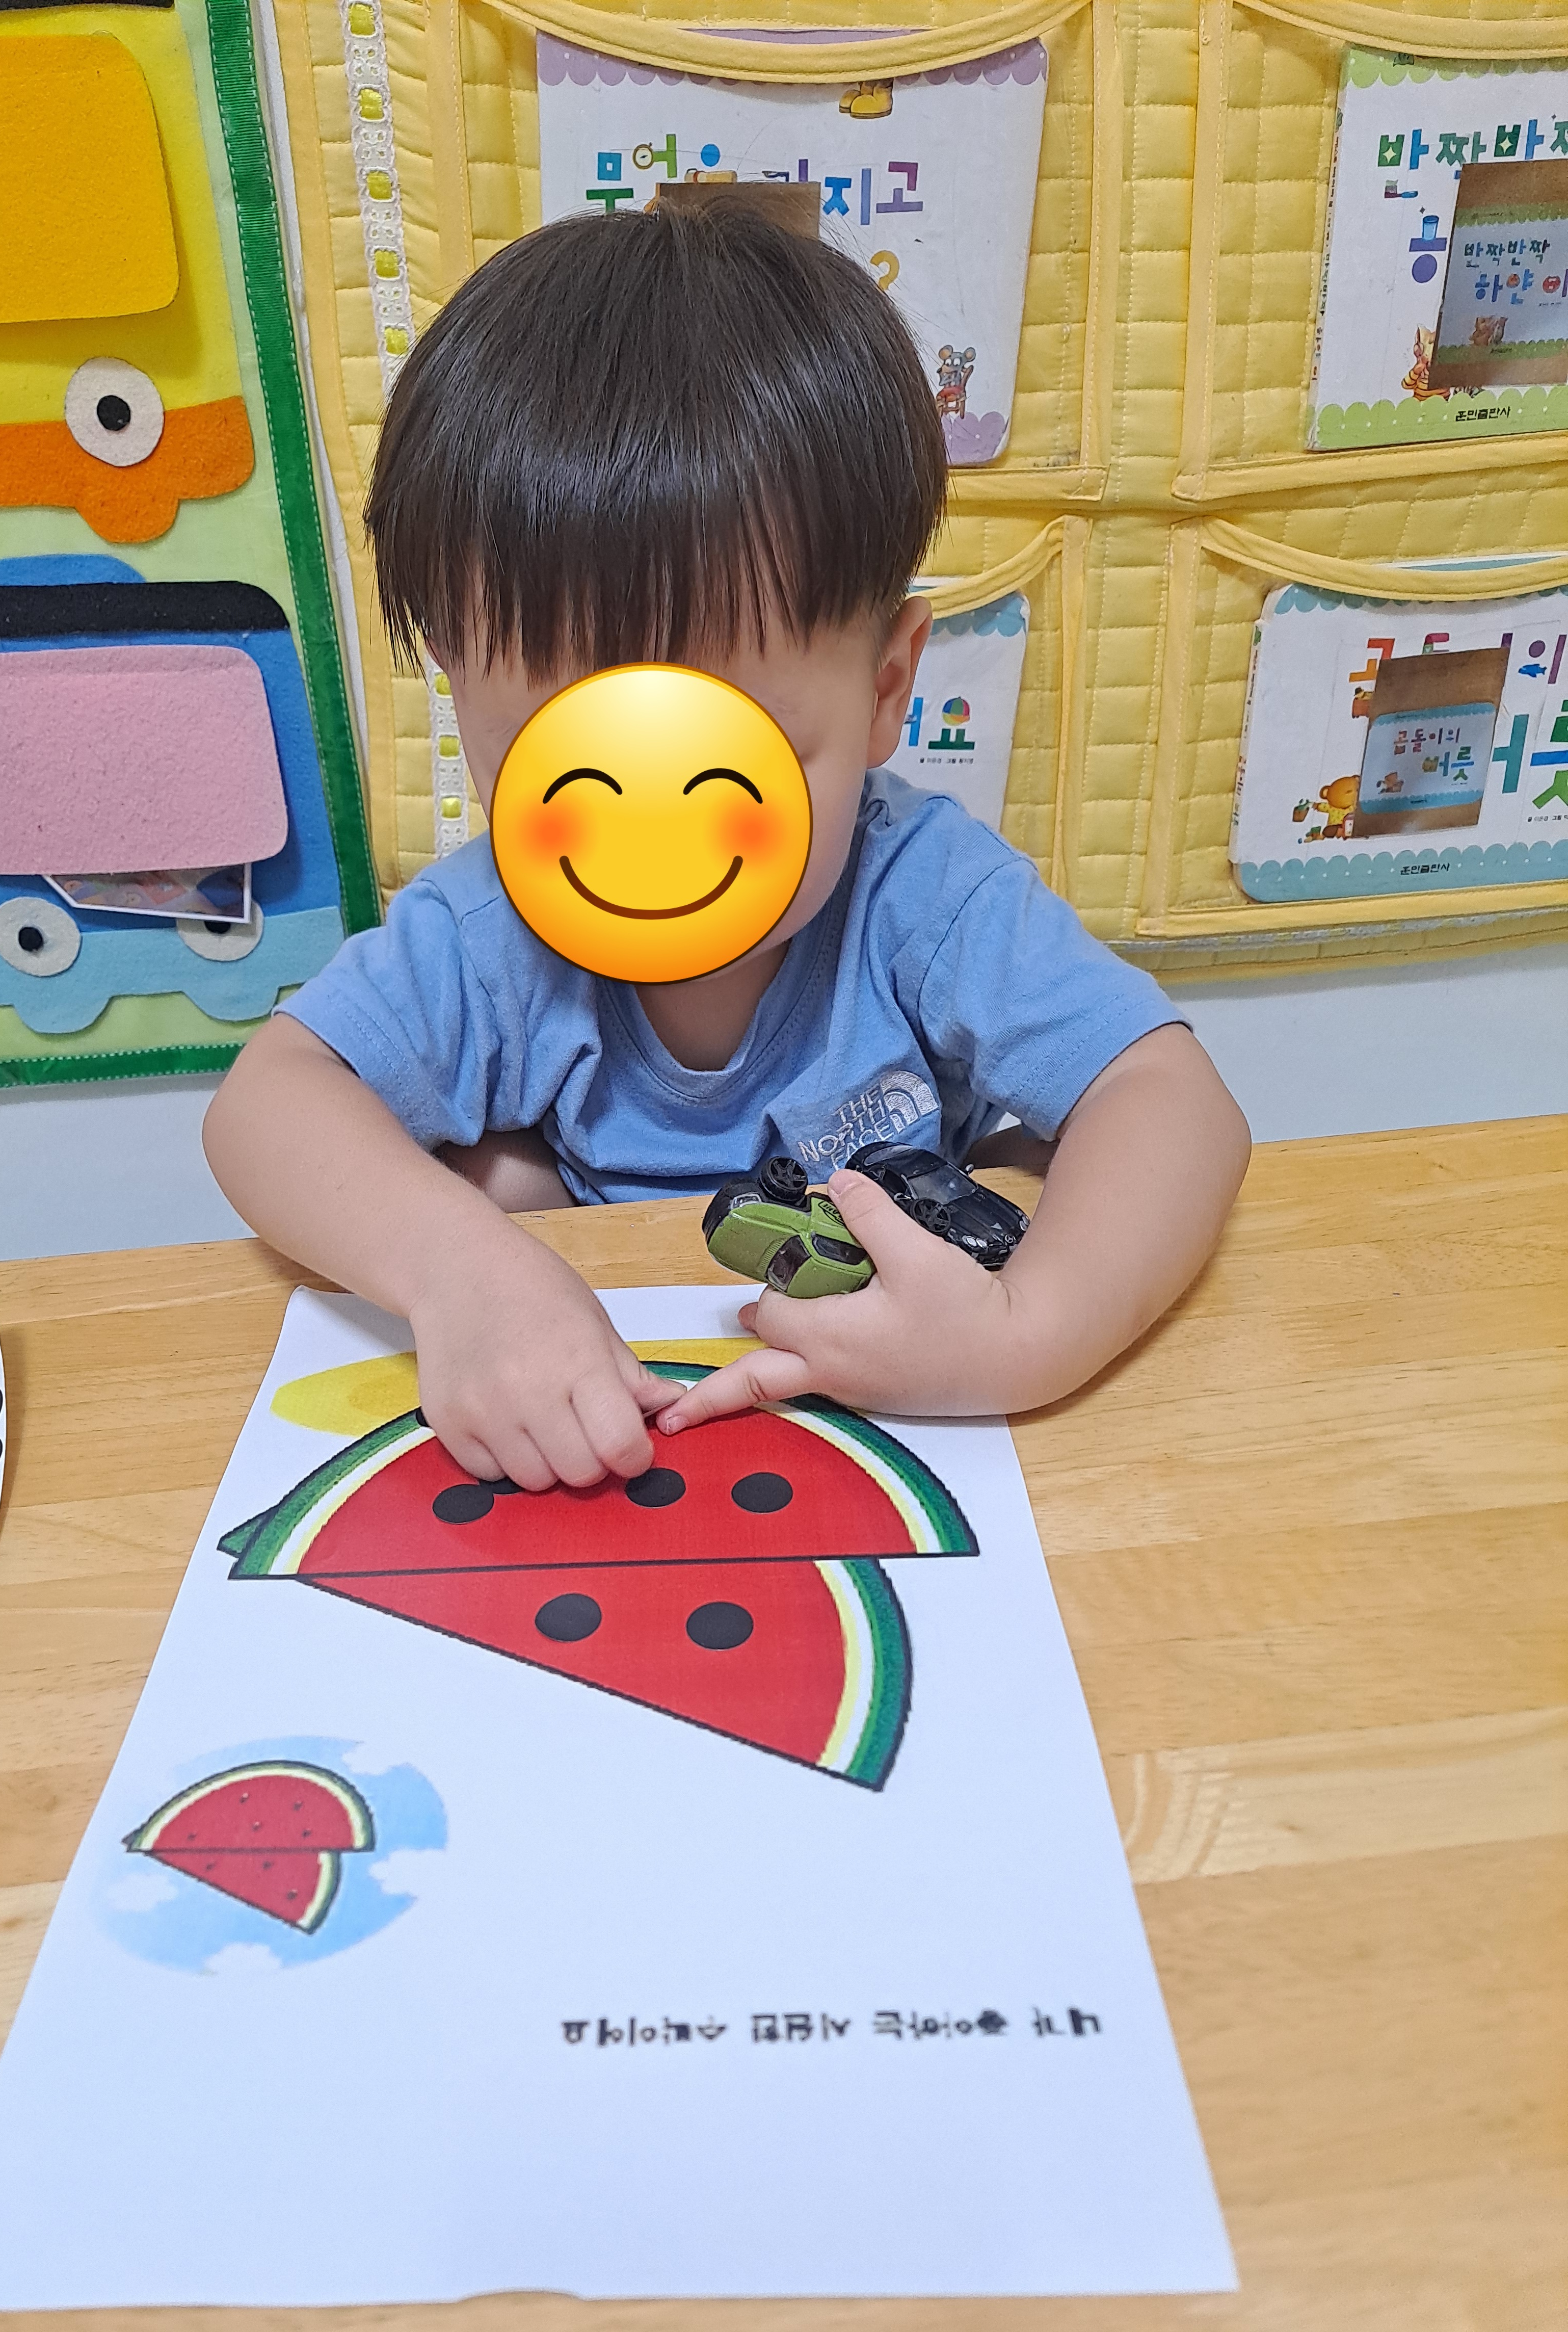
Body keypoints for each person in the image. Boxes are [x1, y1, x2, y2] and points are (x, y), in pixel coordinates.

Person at [204, 203, 1249, 1493]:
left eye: (728, 761)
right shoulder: (490, 932)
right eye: (569, 761)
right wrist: (456, 1262)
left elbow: (1172, 1100)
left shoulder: (922, 895)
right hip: (624, 1421)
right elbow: (266, 1103)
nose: (652, 841)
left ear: (886, 686)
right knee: (488, 1176)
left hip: (914, 1421)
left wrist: (1025, 1334)